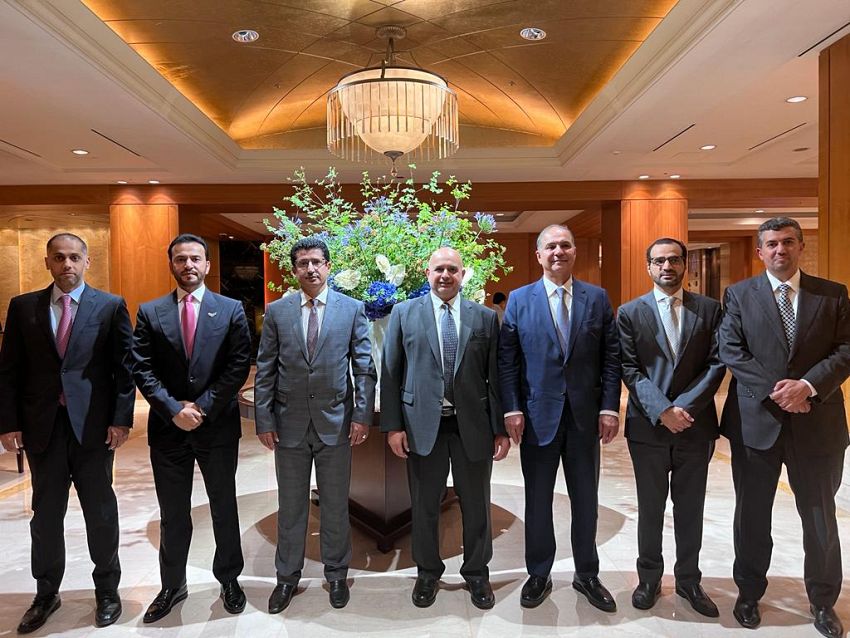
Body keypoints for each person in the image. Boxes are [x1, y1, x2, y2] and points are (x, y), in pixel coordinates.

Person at [719, 217, 850, 638]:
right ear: (760, 251)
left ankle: (823, 601)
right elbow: (731, 349)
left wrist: (807, 387)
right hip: (757, 422)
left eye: (788, 242)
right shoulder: (739, 295)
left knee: (820, 517)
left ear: (801, 247)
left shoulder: (832, 294)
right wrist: (780, 392)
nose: (781, 250)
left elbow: (846, 349)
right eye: (772, 244)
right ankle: (748, 593)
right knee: (752, 515)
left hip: (818, 423)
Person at [0, 233, 134, 633]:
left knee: (101, 512)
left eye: (75, 257)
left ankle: (107, 590)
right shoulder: (23, 307)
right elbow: (8, 371)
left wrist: (121, 419)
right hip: (42, 428)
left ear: (87, 261)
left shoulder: (109, 306)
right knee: (45, 515)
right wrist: (8, 423)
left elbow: (124, 369)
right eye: (59, 257)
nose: (67, 264)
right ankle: (46, 593)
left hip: (93, 429)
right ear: (47, 262)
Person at [498, 224, 621, 611]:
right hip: (537, 418)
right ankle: (539, 573)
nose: (558, 252)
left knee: (586, 499)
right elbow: (508, 361)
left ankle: (587, 574)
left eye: (565, 245)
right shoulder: (520, 299)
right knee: (537, 500)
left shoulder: (596, 298)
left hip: (585, 418)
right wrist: (512, 407)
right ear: (538, 255)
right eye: (550, 246)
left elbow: (611, 357)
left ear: (574, 252)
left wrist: (609, 407)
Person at [381, 247, 510, 609]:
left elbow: (496, 377)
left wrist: (500, 428)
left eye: (453, 269)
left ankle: (477, 573)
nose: (445, 275)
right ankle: (427, 572)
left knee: (477, 504)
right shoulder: (404, 313)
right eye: (439, 269)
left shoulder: (485, 318)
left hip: (473, 426)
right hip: (422, 427)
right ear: (428, 273)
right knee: (425, 505)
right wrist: (393, 426)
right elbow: (391, 373)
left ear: (462, 274)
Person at [132, 233, 251, 623]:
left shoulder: (231, 309)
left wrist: (201, 407)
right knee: (173, 512)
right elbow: (142, 367)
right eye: (181, 259)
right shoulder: (150, 312)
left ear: (207, 265)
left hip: (216, 426)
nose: (188, 265)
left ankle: (229, 579)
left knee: (223, 506)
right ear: (172, 264)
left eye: (195, 258)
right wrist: (172, 409)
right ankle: (172, 585)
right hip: (168, 429)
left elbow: (238, 364)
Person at [254, 236, 376, 613]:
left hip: (336, 423)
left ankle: (336, 574)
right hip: (288, 424)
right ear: (294, 270)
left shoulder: (351, 309)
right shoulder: (277, 312)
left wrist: (361, 415)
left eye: (316, 262)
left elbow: (364, 368)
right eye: (303, 263)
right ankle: (286, 578)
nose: (310, 269)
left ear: (328, 267)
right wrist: (263, 419)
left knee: (335, 505)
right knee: (291, 506)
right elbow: (265, 369)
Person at [617, 238, 725, 616]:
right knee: (650, 507)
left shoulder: (710, 310)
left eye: (674, 260)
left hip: (696, 425)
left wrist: (684, 408)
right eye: (659, 260)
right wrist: (663, 409)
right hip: (648, 427)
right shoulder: (629, 313)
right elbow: (629, 368)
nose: (667, 266)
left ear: (685, 265)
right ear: (648, 267)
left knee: (690, 507)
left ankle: (689, 580)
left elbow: (717, 363)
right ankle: (648, 579)